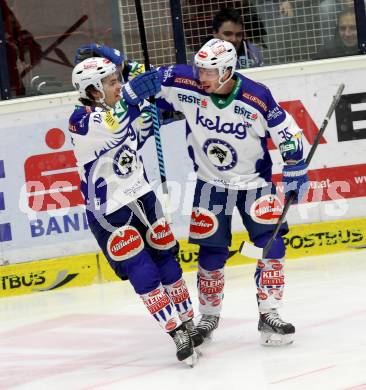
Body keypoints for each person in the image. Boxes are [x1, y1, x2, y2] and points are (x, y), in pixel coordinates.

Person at [148, 38, 308, 346]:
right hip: (211, 185)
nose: (201, 77)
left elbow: (287, 131)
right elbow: (151, 80)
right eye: (200, 70)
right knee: (211, 253)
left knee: (271, 245)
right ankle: (207, 317)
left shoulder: (256, 95)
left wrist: (295, 164)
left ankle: (269, 312)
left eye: (209, 72)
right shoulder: (187, 83)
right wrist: (133, 77)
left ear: (227, 70)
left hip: (255, 185)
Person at [68, 57, 203, 365]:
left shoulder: (116, 109)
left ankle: (188, 321)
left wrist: (153, 102)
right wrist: (132, 95)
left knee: (166, 257)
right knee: (142, 270)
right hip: (109, 209)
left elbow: (136, 131)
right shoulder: (81, 119)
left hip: (143, 196)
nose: (117, 86)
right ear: (92, 89)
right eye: (111, 82)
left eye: (118, 80)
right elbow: (115, 129)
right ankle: (175, 331)